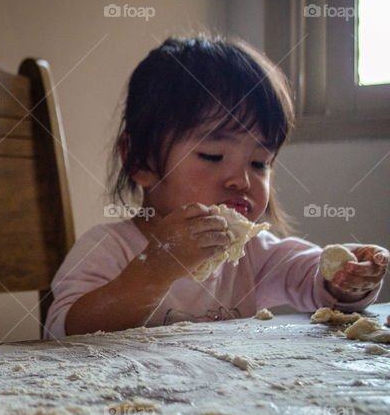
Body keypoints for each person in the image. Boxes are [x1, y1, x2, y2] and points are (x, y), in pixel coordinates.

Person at [44, 36, 388, 337]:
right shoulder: (108, 249)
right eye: (212, 155)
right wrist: (155, 269)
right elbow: (63, 331)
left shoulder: (254, 254)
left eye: (259, 163)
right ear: (141, 161)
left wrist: (345, 275)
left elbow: (309, 275)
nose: (242, 180)